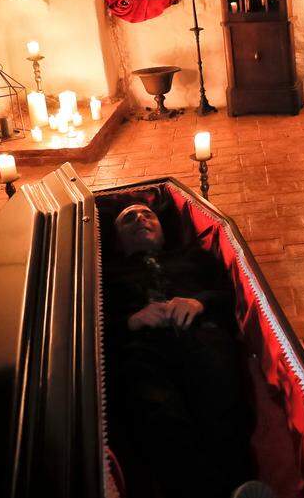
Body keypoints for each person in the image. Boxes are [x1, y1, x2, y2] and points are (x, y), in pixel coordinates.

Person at [106, 203, 256, 498]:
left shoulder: (194, 257)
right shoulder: (105, 277)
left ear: (162, 229)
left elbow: (230, 293)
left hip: (201, 334)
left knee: (220, 401)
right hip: (143, 349)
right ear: (118, 239)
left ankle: (241, 486)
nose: (140, 218)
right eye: (129, 219)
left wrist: (199, 302)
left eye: (148, 214)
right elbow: (92, 325)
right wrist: (132, 320)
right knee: (160, 416)